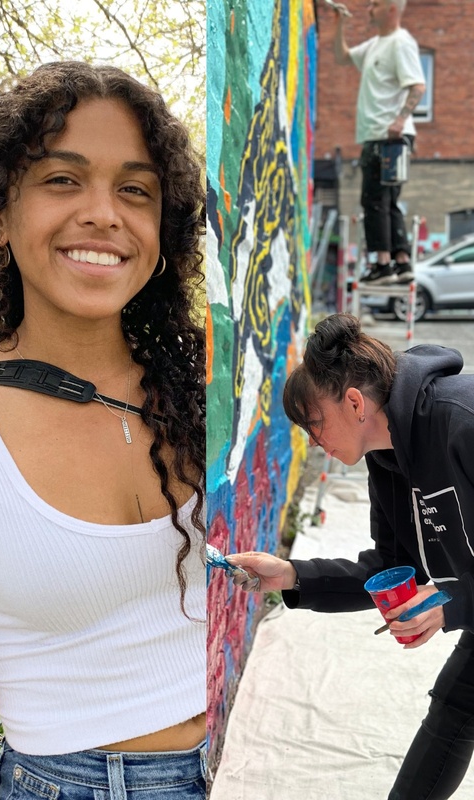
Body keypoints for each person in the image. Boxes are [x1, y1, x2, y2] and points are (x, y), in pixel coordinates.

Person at [0, 62, 209, 799]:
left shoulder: (208, 397)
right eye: (63, 180)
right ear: (0, 217)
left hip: (248, 757)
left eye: (135, 189)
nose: (104, 213)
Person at [229, 313, 474, 800]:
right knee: (454, 709)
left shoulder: (460, 420)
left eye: (314, 424)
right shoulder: (387, 460)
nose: (313, 441)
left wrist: (456, 604)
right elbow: (388, 570)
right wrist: (292, 575)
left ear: (355, 403)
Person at [329, 0, 426, 284]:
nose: (369, 8)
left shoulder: (400, 43)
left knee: (373, 200)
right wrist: (340, 24)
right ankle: (402, 261)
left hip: (388, 136)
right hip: (382, 136)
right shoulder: (374, 45)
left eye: (375, 4)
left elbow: (418, 86)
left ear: (391, 9)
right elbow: (342, 56)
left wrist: (400, 121)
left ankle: (382, 264)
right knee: (388, 200)